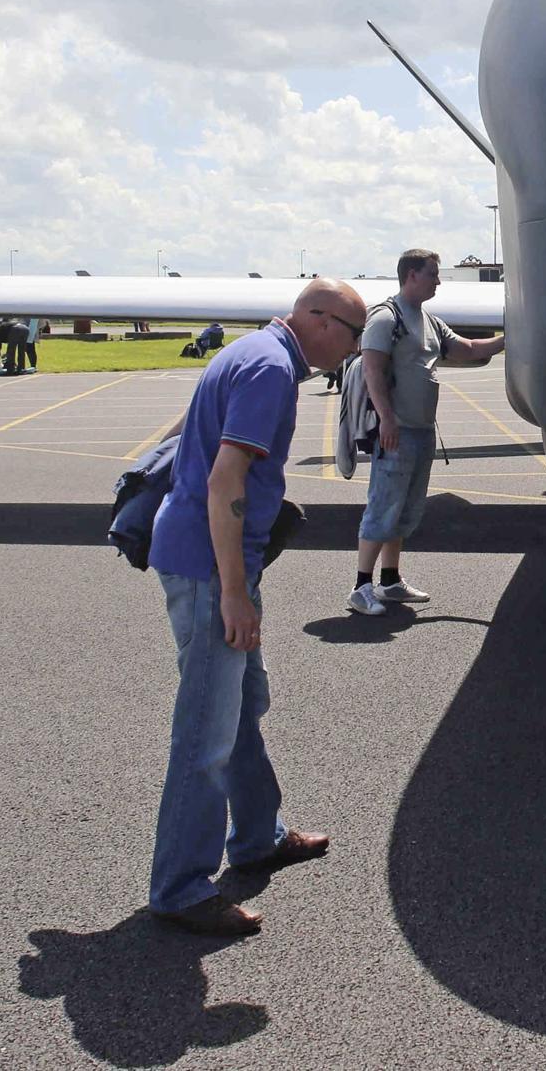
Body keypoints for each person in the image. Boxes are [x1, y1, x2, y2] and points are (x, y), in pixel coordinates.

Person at [146, 277, 368, 935]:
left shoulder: (253, 353)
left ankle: (256, 835)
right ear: (322, 321)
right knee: (207, 730)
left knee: (241, 704)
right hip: (213, 569)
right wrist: (236, 590)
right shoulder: (271, 369)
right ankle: (181, 887)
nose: (355, 351)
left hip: (208, 559)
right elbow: (225, 481)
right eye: (354, 338)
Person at [346, 250, 506, 616]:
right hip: (396, 432)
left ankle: (389, 580)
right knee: (383, 505)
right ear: (411, 275)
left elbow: (465, 348)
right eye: (433, 273)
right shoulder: (386, 318)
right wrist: (386, 419)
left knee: (405, 508)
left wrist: (506, 339)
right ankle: (360, 587)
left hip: (419, 432)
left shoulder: (429, 320)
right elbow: (372, 370)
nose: (438, 280)